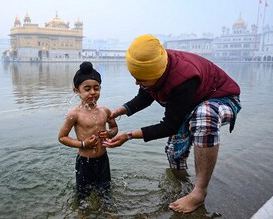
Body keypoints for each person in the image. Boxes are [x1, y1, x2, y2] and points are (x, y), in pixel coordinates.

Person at [103, 34, 241, 213]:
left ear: (157, 73)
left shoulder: (183, 77)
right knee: (174, 154)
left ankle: (199, 192)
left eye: (141, 79)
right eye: (135, 77)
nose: (137, 82)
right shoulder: (154, 63)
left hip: (222, 99)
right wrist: (117, 112)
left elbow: (170, 126)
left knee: (204, 117)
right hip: (191, 104)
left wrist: (129, 135)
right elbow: (145, 97)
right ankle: (183, 186)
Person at [58, 61, 118, 206]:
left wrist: (109, 134)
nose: (92, 92)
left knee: (105, 192)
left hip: (103, 159)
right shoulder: (74, 114)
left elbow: (115, 128)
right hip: (84, 162)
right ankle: (81, 214)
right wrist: (83, 144)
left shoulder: (105, 111)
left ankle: (107, 213)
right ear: (76, 91)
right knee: (82, 195)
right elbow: (62, 137)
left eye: (96, 88)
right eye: (87, 89)